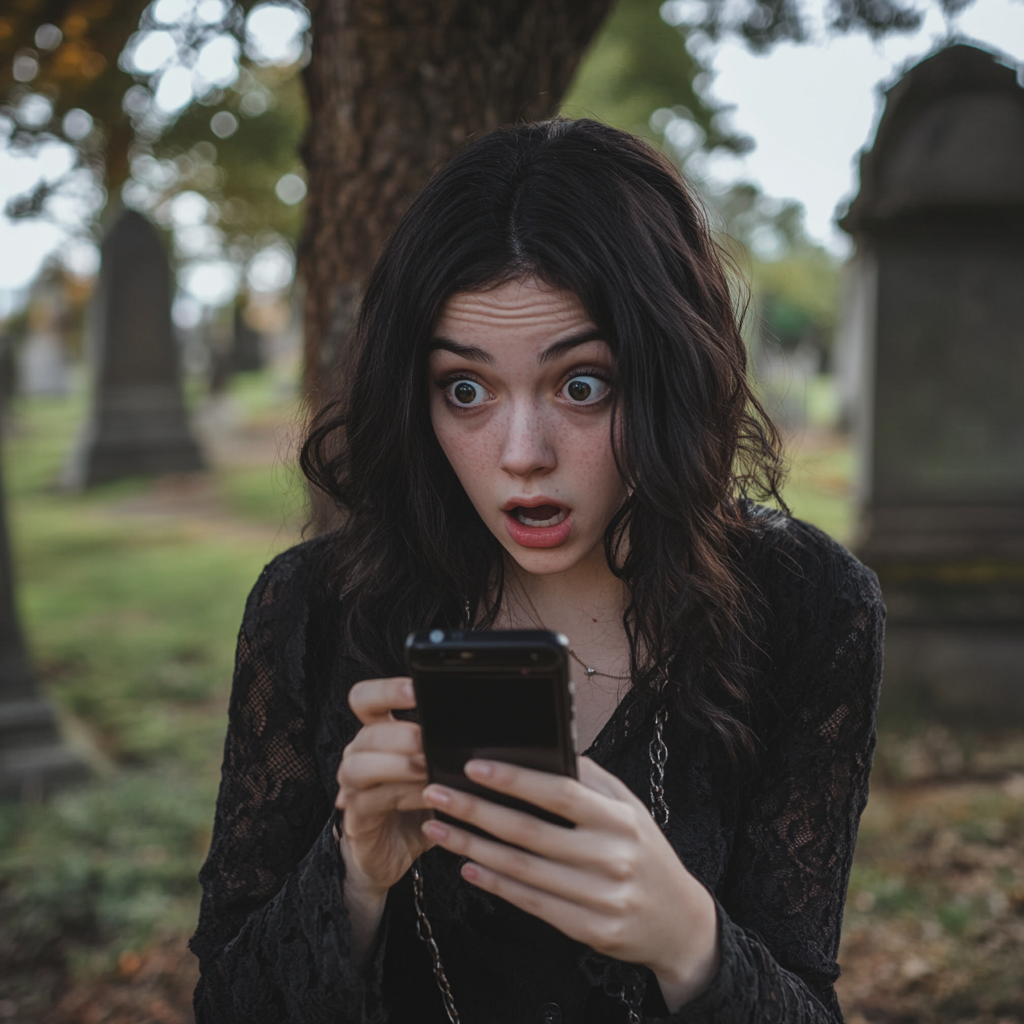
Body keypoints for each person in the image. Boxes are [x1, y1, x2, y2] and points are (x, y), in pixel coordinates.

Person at [190, 118, 884, 1023]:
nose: (522, 455)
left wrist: (688, 940)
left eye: (582, 383)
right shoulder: (315, 609)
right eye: (466, 390)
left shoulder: (808, 607)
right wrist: (353, 873)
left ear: (669, 375)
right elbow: (227, 1005)